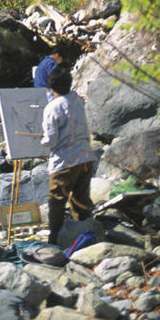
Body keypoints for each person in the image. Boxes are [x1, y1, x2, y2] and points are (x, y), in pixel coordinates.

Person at [40, 66, 97, 246]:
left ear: (51, 88)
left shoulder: (52, 108)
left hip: (65, 161)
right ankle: (87, 235)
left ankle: (54, 239)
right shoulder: (77, 100)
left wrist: (41, 141)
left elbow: (51, 140)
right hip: (85, 157)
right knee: (81, 199)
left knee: (56, 201)